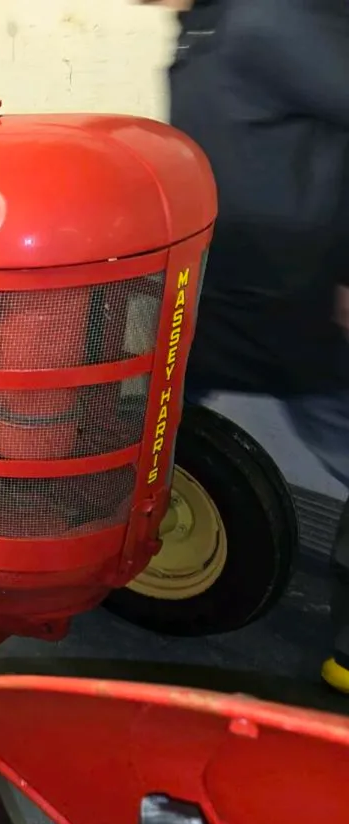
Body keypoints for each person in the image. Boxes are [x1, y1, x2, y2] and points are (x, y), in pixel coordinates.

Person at [141, 0, 349, 690]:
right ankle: (107, 556)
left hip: (310, 295)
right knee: (149, 416)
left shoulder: (274, 18)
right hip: (230, 287)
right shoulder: (203, 26)